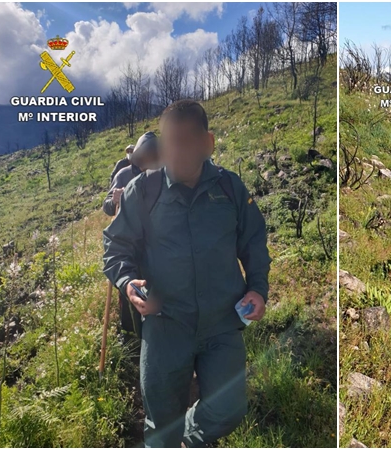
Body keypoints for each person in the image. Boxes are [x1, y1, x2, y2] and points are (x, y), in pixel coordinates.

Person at [102, 99, 271, 448]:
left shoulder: (230, 188)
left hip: (222, 322)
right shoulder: (143, 191)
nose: (174, 152)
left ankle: (189, 439)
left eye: (184, 141)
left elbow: (254, 243)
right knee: (161, 425)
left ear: (207, 143)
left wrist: (257, 288)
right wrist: (128, 282)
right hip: (166, 324)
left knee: (228, 409)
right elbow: (116, 248)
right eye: (168, 142)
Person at [102, 131, 160, 343]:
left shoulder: (162, 173)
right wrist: (115, 198)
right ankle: (129, 335)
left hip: (154, 241)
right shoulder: (124, 174)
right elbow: (107, 207)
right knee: (127, 285)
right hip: (128, 239)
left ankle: (154, 332)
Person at [103, 132, 159, 217]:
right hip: (131, 228)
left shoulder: (165, 174)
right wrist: (114, 200)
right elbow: (106, 207)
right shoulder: (123, 175)